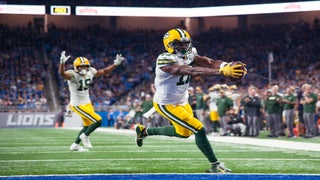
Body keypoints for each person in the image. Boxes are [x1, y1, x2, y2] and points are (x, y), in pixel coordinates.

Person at [134, 28, 246, 173]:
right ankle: (215, 165)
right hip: (166, 104)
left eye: (185, 44)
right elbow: (190, 70)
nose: (183, 47)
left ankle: (144, 131)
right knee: (199, 129)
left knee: (184, 133)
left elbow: (208, 62)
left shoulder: (190, 53)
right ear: (168, 44)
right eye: (178, 44)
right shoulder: (164, 58)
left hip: (182, 100)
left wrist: (225, 65)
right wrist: (220, 72)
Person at [59, 51, 125, 151]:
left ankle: (75, 145)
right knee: (98, 120)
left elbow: (104, 71)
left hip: (87, 102)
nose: (83, 68)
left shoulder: (90, 72)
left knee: (87, 125)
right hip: (77, 104)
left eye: (85, 66)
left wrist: (115, 64)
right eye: (81, 67)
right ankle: (85, 136)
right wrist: (62, 63)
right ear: (76, 67)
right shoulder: (73, 75)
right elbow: (62, 73)